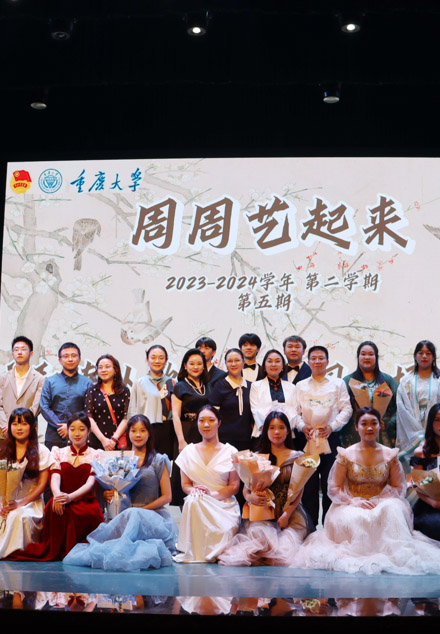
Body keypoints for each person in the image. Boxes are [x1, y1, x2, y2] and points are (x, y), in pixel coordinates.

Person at [294, 406, 440, 575]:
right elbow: (334, 487)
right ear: (356, 427)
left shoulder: (390, 455)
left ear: (380, 425)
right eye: (364, 424)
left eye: (373, 423)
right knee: (355, 517)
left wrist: (380, 500)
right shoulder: (346, 454)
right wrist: (353, 501)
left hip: (383, 502)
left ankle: (391, 552)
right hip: (352, 503)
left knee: (392, 509)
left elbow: (398, 486)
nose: (369, 428)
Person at [63, 415, 178, 570]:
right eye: (133, 431)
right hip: (125, 514)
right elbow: (115, 488)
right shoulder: (119, 460)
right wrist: (110, 495)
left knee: (134, 517)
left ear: (149, 433)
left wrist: (140, 510)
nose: (138, 435)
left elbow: (167, 496)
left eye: (142, 431)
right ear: (128, 434)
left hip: (153, 515)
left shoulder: (158, 460)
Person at [218, 411, 313, 566]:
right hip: (262, 514)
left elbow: (299, 490)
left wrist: (287, 515)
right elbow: (246, 489)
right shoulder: (256, 457)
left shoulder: (297, 456)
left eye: (281, 427)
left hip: (289, 515)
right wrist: (250, 497)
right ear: (265, 431)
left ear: (288, 431)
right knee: (258, 546)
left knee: (285, 551)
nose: (277, 432)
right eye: (272, 428)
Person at [8, 411, 104, 561]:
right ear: (67, 431)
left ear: (89, 431)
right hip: (61, 497)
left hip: (85, 501)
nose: (76, 433)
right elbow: (55, 476)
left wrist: (70, 497)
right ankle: (56, 549)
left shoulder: (96, 454)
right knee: (53, 506)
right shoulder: (58, 452)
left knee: (82, 512)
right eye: (72, 429)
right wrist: (58, 495)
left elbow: (90, 483)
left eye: (81, 429)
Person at [173, 405, 240, 562]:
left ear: (219, 423)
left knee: (223, 531)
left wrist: (212, 495)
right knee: (193, 500)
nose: (206, 424)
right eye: (201, 420)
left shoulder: (231, 452)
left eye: (211, 420)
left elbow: (234, 486)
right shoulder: (188, 452)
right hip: (198, 500)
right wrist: (195, 491)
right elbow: (185, 484)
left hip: (223, 504)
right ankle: (195, 552)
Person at [295, 345, 352, 527]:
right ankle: (310, 527)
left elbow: (347, 409)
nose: (317, 361)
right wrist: (302, 426)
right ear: (308, 362)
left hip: (330, 438)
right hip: (308, 439)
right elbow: (295, 411)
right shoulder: (301, 385)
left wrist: (332, 426)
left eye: (321, 358)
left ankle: (329, 526)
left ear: (327, 361)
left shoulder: (338, 383)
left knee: (331, 484)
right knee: (309, 486)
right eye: (314, 358)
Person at [0, 408, 53, 558]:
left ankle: (8, 552)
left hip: (30, 503)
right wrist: (2, 504)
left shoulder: (41, 451)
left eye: (24, 424)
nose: (19, 428)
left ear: (32, 426)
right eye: (15, 424)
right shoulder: (3, 450)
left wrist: (19, 503)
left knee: (17, 516)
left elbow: (42, 485)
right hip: (5, 502)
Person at [170, 348, 211, 506]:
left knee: (202, 471)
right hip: (186, 432)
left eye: (199, 363)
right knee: (186, 471)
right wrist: (181, 440)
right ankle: (186, 510)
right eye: (192, 363)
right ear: (185, 366)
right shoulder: (179, 386)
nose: (196, 367)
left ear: (204, 366)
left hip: (204, 432)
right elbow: (175, 415)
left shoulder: (208, 386)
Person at [342, 341, 398, 448]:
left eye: (371, 354)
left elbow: (400, 406)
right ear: (358, 357)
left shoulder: (388, 380)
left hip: (383, 436)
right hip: (355, 437)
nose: (367, 357)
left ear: (376, 357)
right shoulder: (348, 381)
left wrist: (388, 423)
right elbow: (341, 409)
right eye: (363, 354)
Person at [40, 342, 93, 450]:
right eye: (66, 356)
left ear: (79, 359)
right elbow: (44, 407)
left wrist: (70, 427)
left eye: (74, 356)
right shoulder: (50, 381)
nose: (70, 359)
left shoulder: (87, 383)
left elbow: (88, 410)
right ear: (60, 360)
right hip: (54, 435)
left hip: (79, 436)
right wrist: (60, 425)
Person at [127, 344, 175, 458]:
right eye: (153, 357)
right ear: (147, 359)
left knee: (165, 463)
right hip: (146, 429)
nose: (157, 361)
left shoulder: (172, 383)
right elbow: (132, 411)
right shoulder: (139, 383)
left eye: (161, 358)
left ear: (166, 360)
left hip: (168, 430)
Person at [397, 340, 440, 456]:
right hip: (412, 426)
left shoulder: (439, 380)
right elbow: (402, 409)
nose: (424, 356)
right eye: (421, 353)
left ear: (433, 357)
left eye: (428, 353)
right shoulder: (406, 381)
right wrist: (418, 434)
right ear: (415, 356)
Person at [0, 337, 46, 438]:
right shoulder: (3, 378)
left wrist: (20, 425)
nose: (19, 352)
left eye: (23, 349)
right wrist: (7, 425)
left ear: (31, 354)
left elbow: (36, 407)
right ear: (12, 354)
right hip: (5, 431)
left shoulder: (40, 379)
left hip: (28, 431)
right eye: (16, 350)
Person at [209, 348, 253, 451]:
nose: (233, 364)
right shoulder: (219, 386)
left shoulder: (251, 386)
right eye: (229, 361)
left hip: (247, 441)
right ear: (226, 364)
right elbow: (212, 417)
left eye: (237, 360)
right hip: (224, 442)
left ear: (243, 362)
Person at [249, 349, 297, 440]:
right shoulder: (256, 386)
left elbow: (294, 411)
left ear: (283, 366)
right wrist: (268, 429)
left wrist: (284, 429)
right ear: (264, 365)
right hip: (262, 434)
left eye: (277, 361)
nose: (273, 364)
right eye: (270, 361)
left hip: (287, 435)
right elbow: (255, 410)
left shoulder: (291, 387)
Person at [85, 354, 130, 451]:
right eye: (100, 367)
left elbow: (126, 417)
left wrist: (114, 439)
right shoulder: (92, 391)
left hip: (118, 442)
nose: (103, 370)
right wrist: (103, 440)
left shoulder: (124, 391)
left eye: (107, 367)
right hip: (97, 440)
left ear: (115, 370)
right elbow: (89, 417)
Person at [409, 403, 440, 540]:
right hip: (429, 504)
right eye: (437, 420)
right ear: (431, 423)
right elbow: (419, 487)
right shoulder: (421, 453)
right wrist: (434, 503)